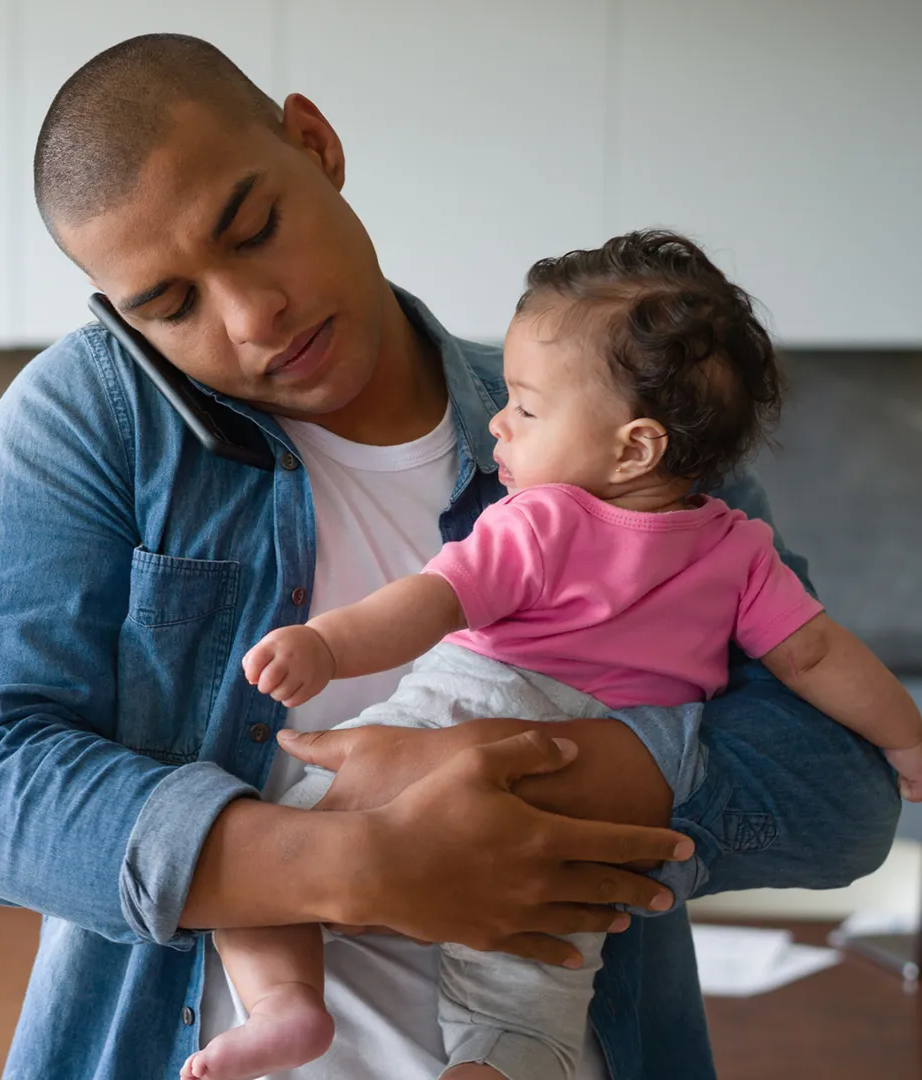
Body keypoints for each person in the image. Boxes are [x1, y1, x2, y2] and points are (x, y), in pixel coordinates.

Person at [0, 33, 901, 1080]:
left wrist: (533, 786)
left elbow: (841, 796)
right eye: (172, 306)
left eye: (254, 230)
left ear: (317, 143)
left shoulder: (605, 417)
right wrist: (363, 863)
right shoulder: (91, 419)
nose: (253, 317)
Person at [188, 230, 922, 1080]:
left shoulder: (544, 519)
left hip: (474, 707)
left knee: (261, 858)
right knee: (534, 978)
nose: (498, 419)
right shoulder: (740, 551)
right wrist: (906, 742)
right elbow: (819, 658)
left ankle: (287, 1007)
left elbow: (427, 604)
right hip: (599, 793)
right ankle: (493, 1066)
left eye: (527, 408)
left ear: (635, 447)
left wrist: (325, 644)